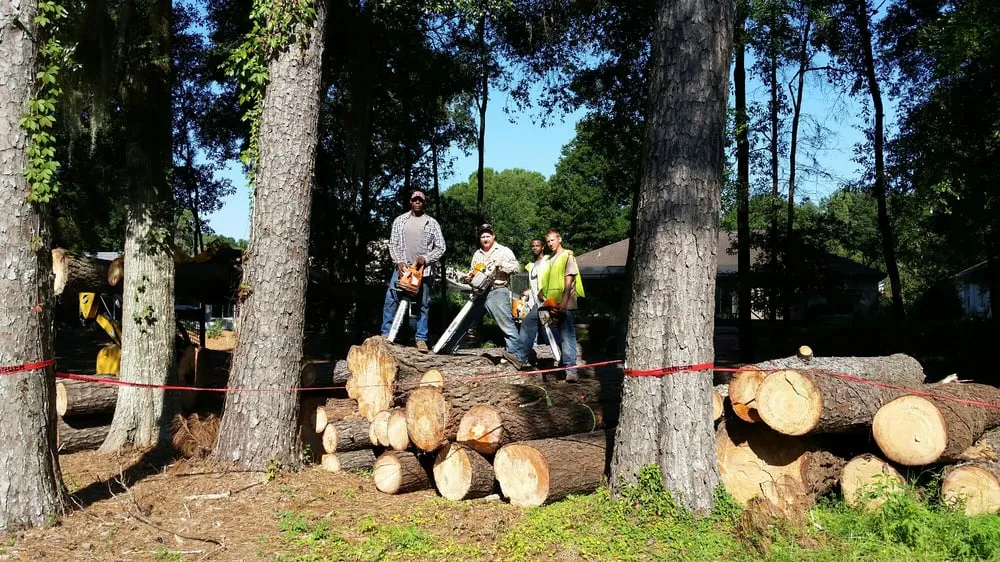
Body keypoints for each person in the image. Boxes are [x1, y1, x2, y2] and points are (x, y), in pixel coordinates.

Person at [506, 229, 584, 380]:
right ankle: (519, 357)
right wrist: (541, 292)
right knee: (530, 321)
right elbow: (548, 280)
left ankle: (571, 370)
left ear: (559, 239)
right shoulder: (551, 259)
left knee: (566, 335)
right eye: (548, 241)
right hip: (548, 303)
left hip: (563, 303)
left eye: (552, 240)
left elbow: (569, 280)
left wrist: (565, 302)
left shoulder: (567, 256)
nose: (550, 244)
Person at [380, 190, 446, 352]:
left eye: (420, 200)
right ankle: (386, 335)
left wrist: (426, 258)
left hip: (423, 272)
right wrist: (398, 261)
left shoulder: (432, 223)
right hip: (403, 269)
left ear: (424, 203)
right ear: (410, 202)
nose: (417, 202)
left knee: (422, 305)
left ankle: (421, 339)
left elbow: (441, 247)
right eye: (415, 200)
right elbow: (393, 244)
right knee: (391, 300)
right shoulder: (400, 221)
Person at [465, 223, 520, 353]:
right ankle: (457, 348)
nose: (485, 239)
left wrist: (500, 264)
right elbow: (472, 272)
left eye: (488, 236)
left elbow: (516, 268)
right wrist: (469, 277)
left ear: (493, 236)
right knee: (467, 321)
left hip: (498, 290)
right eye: (482, 236)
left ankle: (516, 353)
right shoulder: (477, 254)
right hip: (479, 293)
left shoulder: (504, 251)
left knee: (506, 324)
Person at [505, 239, 549, 367]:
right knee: (544, 329)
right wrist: (530, 291)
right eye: (532, 246)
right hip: (537, 304)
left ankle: (520, 357)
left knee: (534, 325)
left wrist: (544, 293)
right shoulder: (533, 265)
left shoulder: (547, 262)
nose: (534, 248)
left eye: (537, 245)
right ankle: (565, 358)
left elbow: (549, 280)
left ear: (542, 247)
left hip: (545, 303)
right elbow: (536, 283)